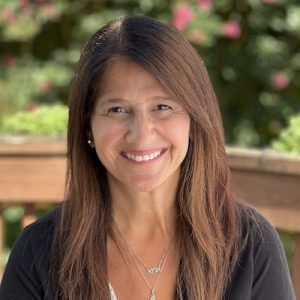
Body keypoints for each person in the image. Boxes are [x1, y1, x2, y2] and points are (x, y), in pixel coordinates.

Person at [0, 16, 296, 300]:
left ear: (194, 118)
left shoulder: (251, 245)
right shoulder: (39, 251)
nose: (141, 135)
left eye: (163, 107)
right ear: (87, 125)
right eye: (117, 110)